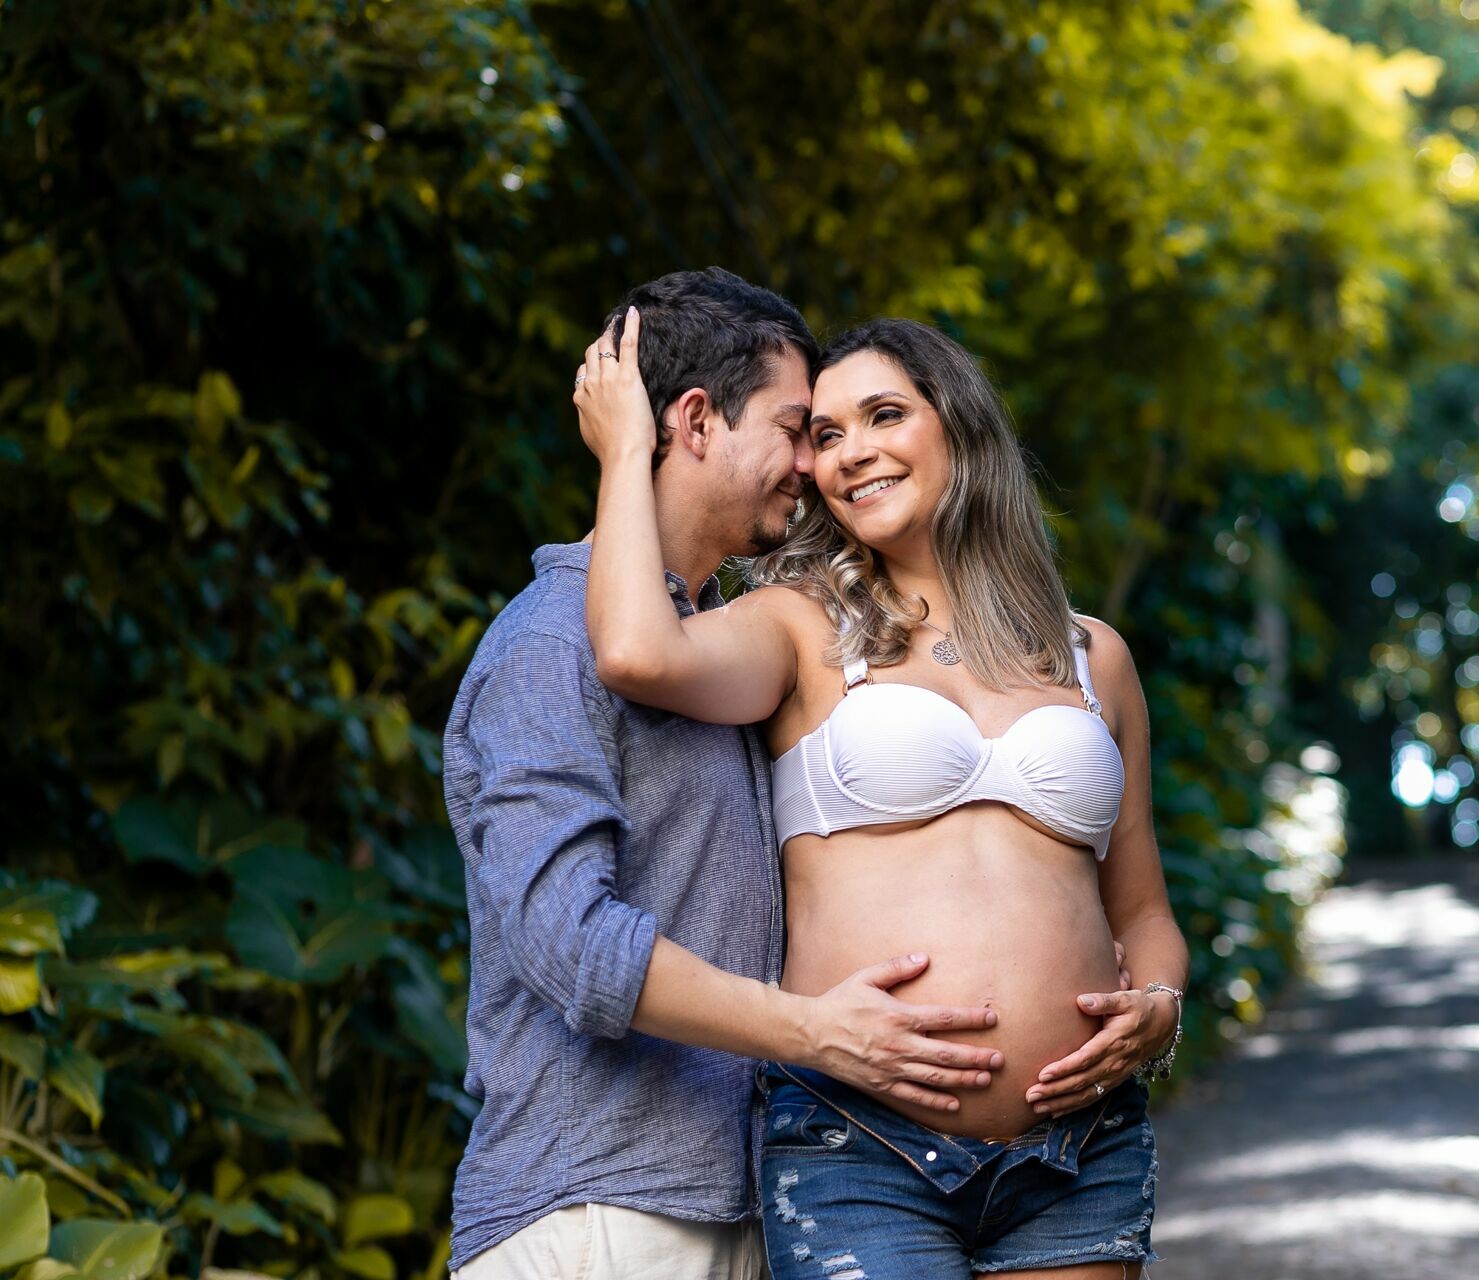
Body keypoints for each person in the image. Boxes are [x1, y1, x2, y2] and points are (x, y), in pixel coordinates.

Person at [575, 311, 1188, 1277]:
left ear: (958, 424)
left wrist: (1159, 1005)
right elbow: (636, 651)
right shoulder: (798, 625)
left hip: (1083, 1147)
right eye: (824, 436)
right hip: (862, 1146)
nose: (851, 453)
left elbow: (1143, 910)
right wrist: (624, 452)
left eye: (883, 416)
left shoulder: (1093, 657)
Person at [443, 270, 1009, 1280]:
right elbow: (569, 939)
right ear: (696, 420)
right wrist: (815, 1029)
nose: (815, 462)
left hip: (742, 1202)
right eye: (798, 427)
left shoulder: (732, 653)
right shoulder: (544, 644)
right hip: (599, 1212)